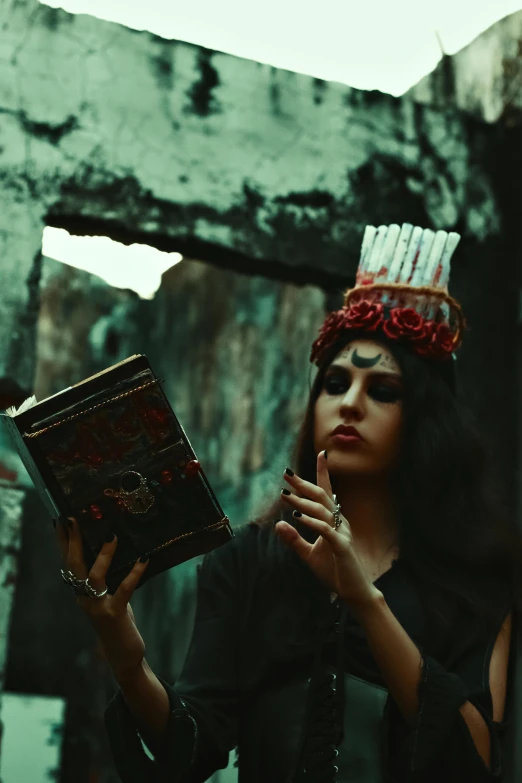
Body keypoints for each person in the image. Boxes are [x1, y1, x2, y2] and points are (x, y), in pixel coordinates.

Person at [55, 223, 521, 783]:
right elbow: (190, 748)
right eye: (334, 383)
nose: (350, 403)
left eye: (383, 391)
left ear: (425, 422)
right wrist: (122, 648)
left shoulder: (478, 574)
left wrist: (363, 599)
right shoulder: (247, 562)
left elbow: (476, 761)